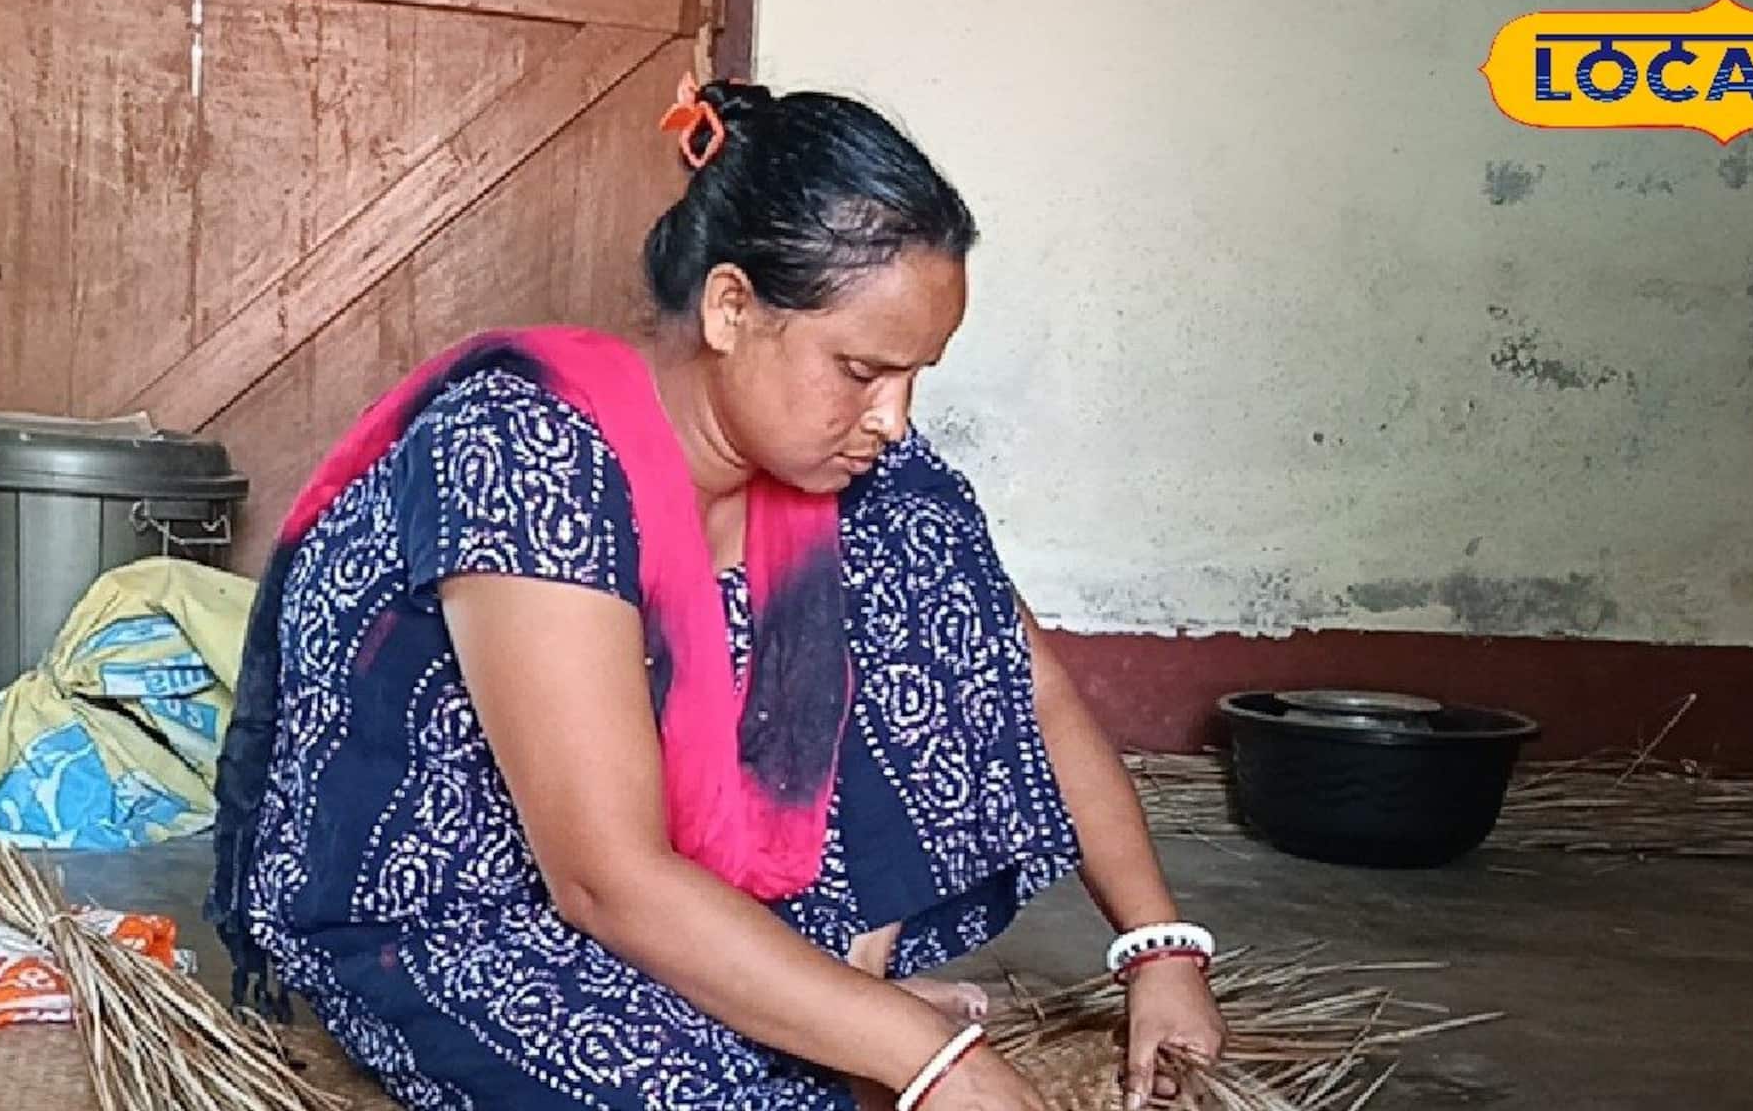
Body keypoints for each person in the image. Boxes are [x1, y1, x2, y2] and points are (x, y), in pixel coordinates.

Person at [206, 74, 1224, 1111]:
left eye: (916, 377)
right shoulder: (526, 451)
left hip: (678, 884)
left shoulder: (869, 476)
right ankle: (824, 1004)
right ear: (732, 307)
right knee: (709, 1093)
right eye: (862, 370)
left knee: (922, 536)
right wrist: (931, 1058)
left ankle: (822, 983)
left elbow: (1026, 690)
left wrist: (1158, 950)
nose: (893, 418)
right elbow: (605, 877)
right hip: (457, 907)